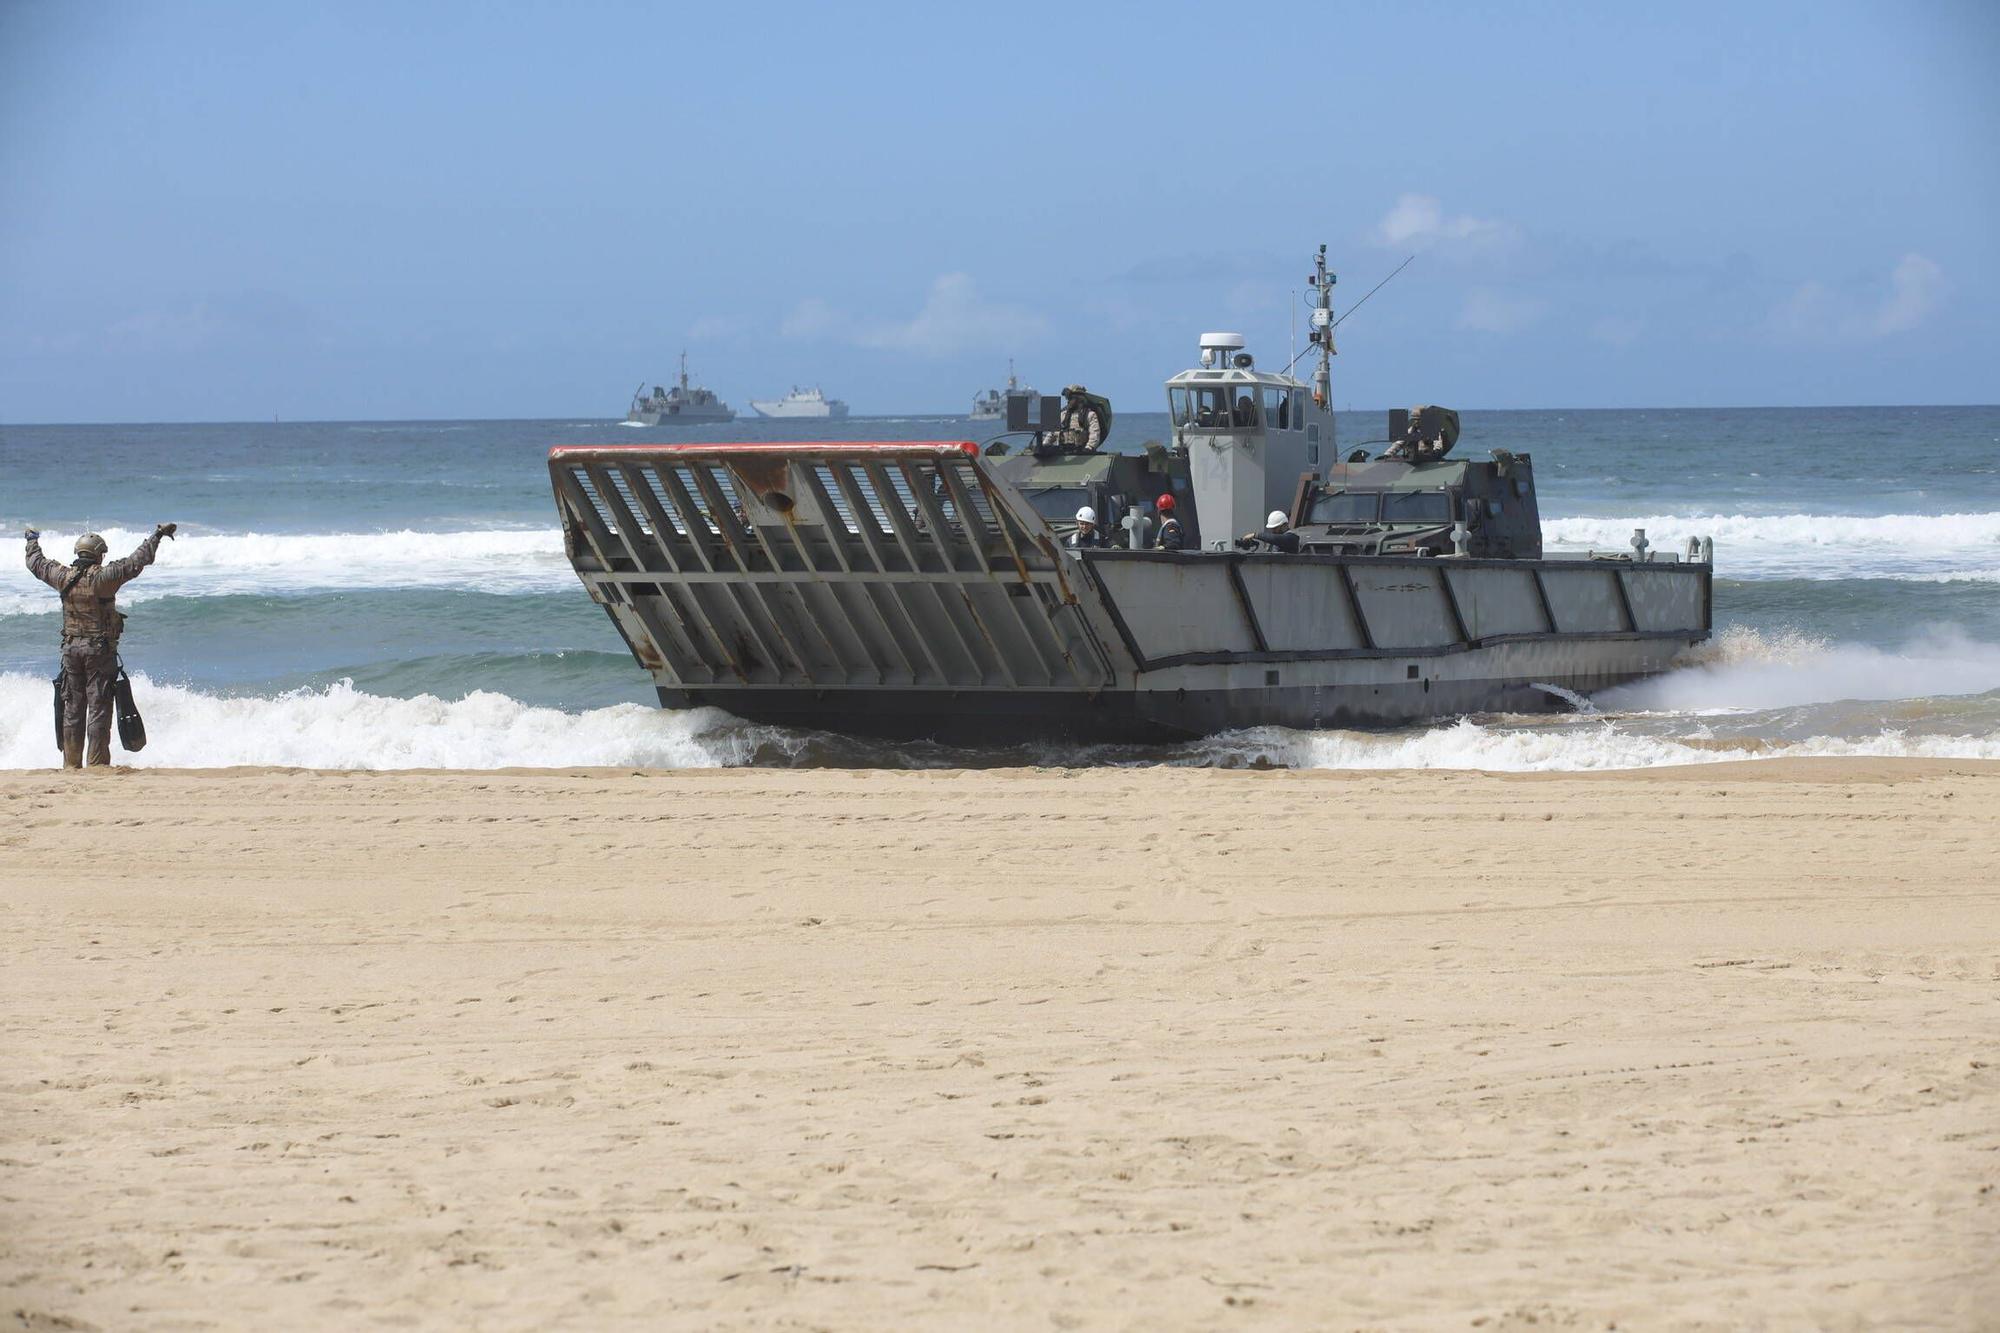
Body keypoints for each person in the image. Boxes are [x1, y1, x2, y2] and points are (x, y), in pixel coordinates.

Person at [25, 524, 175, 768]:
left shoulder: (61, 576)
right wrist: (157, 535)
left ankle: (71, 765)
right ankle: (96, 766)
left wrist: (32, 539)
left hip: (70, 651)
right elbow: (136, 561)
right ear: (99, 555)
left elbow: (36, 563)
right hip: (99, 652)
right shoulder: (104, 578)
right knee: (98, 709)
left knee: (72, 710)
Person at [1235, 509, 1300, 554]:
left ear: (1284, 525)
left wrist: (1255, 535)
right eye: (1272, 528)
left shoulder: (1292, 538)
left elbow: (1276, 538)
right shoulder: (1274, 539)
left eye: (1275, 528)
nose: (1272, 531)